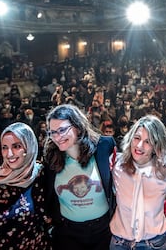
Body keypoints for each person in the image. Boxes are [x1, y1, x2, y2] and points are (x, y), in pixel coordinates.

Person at [44, 103, 116, 250]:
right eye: (53, 132)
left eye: (62, 130)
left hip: (103, 230)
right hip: (68, 232)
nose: (58, 137)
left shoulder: (103, 146)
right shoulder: (50, 157)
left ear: (77, 127)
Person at [0, 122, 49, 249]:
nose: (9, 154)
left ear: (29, 147)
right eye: (4, 147)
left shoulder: (40, 175)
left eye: (16, 146)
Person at [110, 115, 166, 250]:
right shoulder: (117, 165)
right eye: (137, 138)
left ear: (157, 146)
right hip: (119, 243)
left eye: (148, 142)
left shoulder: (165, 172)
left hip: (155, 244)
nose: (139, 146)